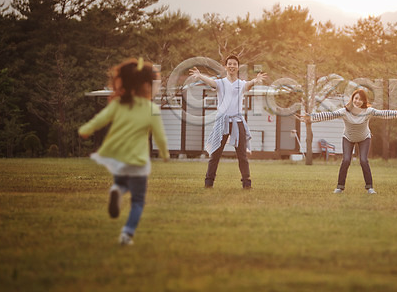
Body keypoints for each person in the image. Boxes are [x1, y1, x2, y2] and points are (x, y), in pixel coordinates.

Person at [79, 58, 169, 246]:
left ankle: (117, 190)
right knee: (138, 201)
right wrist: (164, 154)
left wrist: (86, 130)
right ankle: (127, 234)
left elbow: (100, 120)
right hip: (137, 162)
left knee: (122, 183)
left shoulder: (119, 104)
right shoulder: (151, 109)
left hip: (117, 160)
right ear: (146, 86)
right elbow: (160, 136)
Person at [300, 88, 397, 194]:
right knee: (346, 160)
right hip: (348, 138)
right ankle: (339, 187)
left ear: (364, 101)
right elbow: (329, 115)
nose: (357, 101)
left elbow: (382, 113)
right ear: (352, 99)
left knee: (363, 160)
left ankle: (370, 187)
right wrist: (311, 117)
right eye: (356, 98)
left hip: (364, 138)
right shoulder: (344, 111)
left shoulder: (368, 111)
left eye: (360, 99)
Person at [188, 55, 267, 189]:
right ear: (225, 67)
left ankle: (246, 183)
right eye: (229, 64)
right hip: (222, 122)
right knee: (215, 154)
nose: (232, 66)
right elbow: (211, 82)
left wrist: (255, 80)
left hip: (237, 121)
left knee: (242, 155)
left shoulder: (240, 84)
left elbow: (248, 85)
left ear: (238, 67)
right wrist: (200, 76)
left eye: (234, 64)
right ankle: (209, 182)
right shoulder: (220, 83)